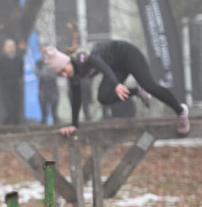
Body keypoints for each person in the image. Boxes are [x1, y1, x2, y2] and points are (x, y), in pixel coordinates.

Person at [41, 39, 190, 136]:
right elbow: (76, 100)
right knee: (103, 97)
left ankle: (181, 111)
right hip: (116, 68)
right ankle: (138, 91)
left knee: (150, 86)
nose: (65, 74)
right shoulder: (73, 76)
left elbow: (102, 66)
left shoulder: (82, 57)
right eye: (60, 74)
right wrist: (74, 125)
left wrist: (117, 84)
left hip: (127, 54)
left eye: (64, 70)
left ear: (67, 62)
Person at [0, 39, 24, 125]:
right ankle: (6, 124)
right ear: (4, 48)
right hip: (5, 88)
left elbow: (21, 72)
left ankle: (17, 124)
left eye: (12, 46)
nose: (10, 48)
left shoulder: (18, 59)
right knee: (9, 108)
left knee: (16, 107)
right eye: (8, 46)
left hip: (16, 87)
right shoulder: (1, 60)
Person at [34, 57, 59, 125]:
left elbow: (56, 73)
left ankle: (56, 123)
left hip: (53, 88)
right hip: (43, 88)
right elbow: (37, 73)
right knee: (43, 111)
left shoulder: (55, 62)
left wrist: (45, 74)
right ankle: (43, 124)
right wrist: (47, 74)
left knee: (54, 111)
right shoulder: (38, 63)